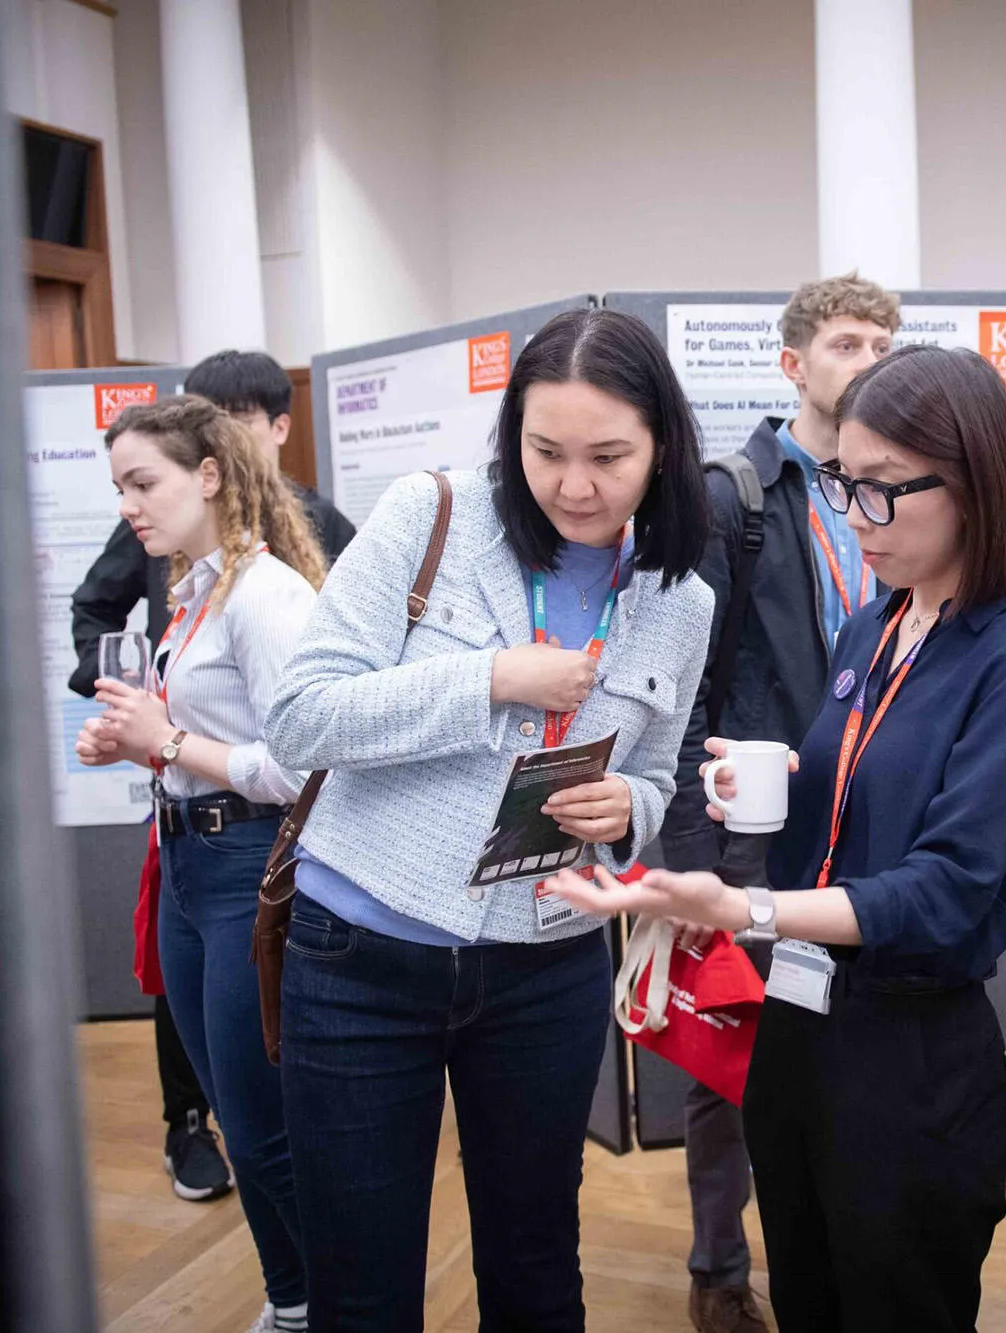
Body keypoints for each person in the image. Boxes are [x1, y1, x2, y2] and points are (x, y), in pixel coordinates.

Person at [550, 343, 1006, 1332]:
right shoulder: (875, 625)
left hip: (907, 1052)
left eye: (882, 491)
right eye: (844, 483)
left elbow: (945, 889)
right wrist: (749, 792)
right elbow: (849, 810)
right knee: (806, 1290)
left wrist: (741, 904)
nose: (852, 516)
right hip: (798, 1030)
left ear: (973, 481)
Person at [262, 307, 713, 1332]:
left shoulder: (678, 599)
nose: (574, 486)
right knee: (364, 1288)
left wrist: (627, 807)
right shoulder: (431, 516)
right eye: (545, 451)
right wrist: (489, 679)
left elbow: (654, 769)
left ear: (662, 450)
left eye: (609, 457)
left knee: (536, 1272)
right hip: (358, 958)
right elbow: (298, 719)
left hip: (543, 968)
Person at [662, 272, 899, 1333]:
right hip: (750, 829)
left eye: (885, 343)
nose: (871, 361)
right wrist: (691, 852)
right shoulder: (732, 497)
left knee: (844, 1044)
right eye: (848, 343)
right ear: (794, 364)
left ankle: (832, 1238)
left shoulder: (899, 488)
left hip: (864, 823)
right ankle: (718, 1267)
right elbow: (682, 687)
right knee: (730, 1055)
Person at [67, 349, 355, 1205]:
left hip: (247, 864)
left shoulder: (263, 595)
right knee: (238, 1111)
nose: (127, 508)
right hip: (191, 859)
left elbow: (302, 765)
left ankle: (308, 1299)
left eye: (140, 486)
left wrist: (164, 741)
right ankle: (293, 1294)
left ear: (208, 474)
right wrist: (139, 737)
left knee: (263, 1130)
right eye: (121, 488)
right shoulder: (195, 589)